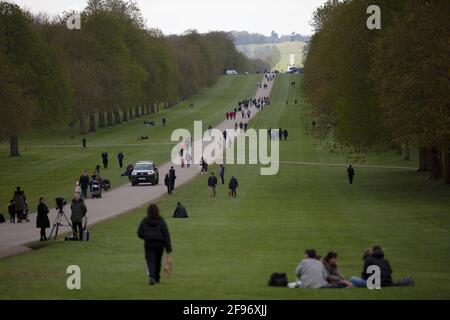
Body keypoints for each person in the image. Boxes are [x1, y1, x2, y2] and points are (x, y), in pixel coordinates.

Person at [137, 204, 173, 285]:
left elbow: (139, 233)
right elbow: (166, 234)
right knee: (157, 261)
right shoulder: (161, 221)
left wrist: (145, 237)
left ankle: (152, 277)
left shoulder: (145, 221)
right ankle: (156, 278)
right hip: (159, 244)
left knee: (150, 261)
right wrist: (168, 248)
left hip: (149, 244)